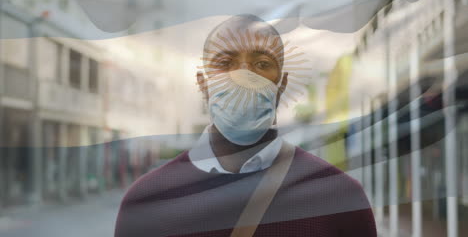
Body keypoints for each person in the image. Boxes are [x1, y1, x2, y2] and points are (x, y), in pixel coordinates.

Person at [114, 14, 377, 237]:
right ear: (203, 84)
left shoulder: (340, 197)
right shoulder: (146, 201)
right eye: (224, 63)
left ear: (281, 85)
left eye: (262, 64)